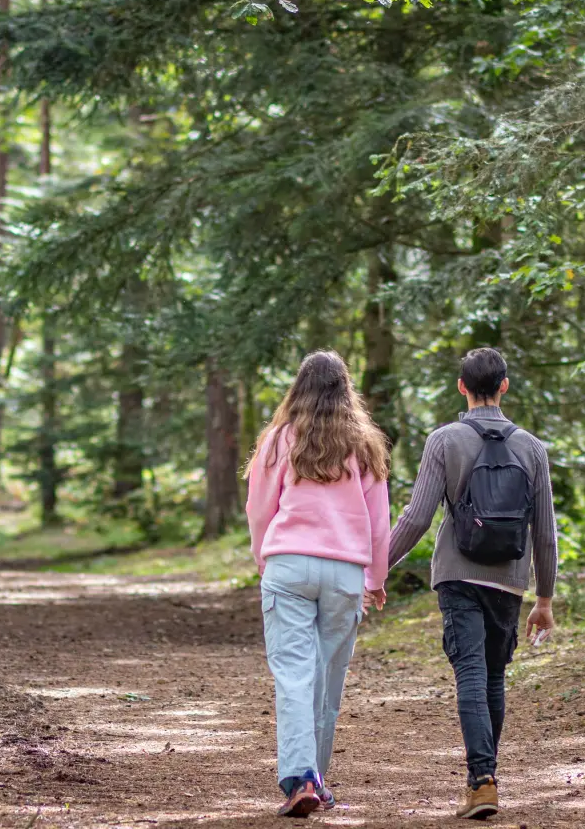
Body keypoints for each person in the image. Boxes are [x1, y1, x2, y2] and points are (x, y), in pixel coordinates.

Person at [387, 347, 556, 820]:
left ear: (461, 386)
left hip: (457, 575)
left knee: (471, 675)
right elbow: (545, 532)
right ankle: (483, 780)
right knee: (493, 677)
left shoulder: (444, 440)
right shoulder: (532, 448)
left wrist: (376, 568)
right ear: (504, 386)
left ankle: (482, 781)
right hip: (509, 579)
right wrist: (544, 598)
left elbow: (417, 517)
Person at [244, 350, 393, 818]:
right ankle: (316, 780)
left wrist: (264, 559)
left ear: (299, 389)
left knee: (293, 675)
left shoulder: (278, 440)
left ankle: (302, 779)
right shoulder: (365, 444)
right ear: (346, 389)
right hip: (345, 571)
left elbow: (259, 509)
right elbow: (379, 522)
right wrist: (376, 578)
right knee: (328, 678)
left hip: (288, 564)